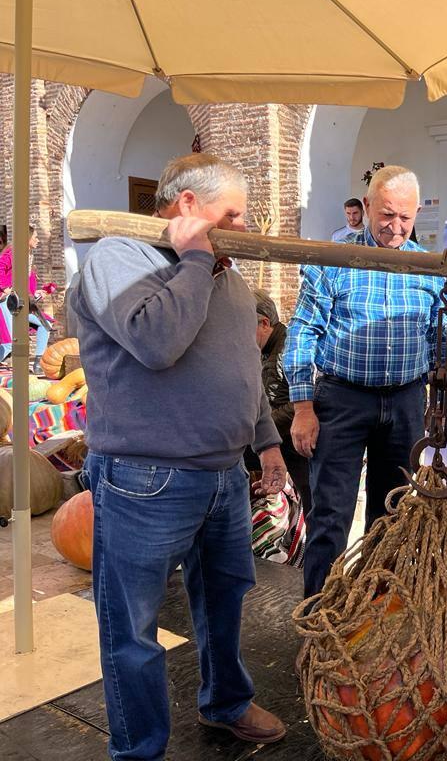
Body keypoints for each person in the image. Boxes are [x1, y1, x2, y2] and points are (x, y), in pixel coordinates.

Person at [67, 152, 289, 760]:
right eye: (232, 214)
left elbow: (245, 369)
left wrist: (266, 442)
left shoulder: (224, 274)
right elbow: (156, 341)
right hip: (145, 478)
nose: (244, 228)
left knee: (225, 597)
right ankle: (139, 749)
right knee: (133, 627)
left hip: (224, 474)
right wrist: (194, 258)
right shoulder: (118, 257)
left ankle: (225, 702)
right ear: (188, 205)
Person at [286, 165, 443, 599]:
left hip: (406, 400)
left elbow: (435, 337)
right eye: (387, 215)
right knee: (330, 514)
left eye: (405, 218)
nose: (395, 228)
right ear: (367, 206)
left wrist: (430, 403)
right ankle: (320, 618)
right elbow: (303, 331)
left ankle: (375, 616)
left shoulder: (428, 267)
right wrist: (302, 407)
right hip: (343, 399)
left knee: (391, 515)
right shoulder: (334, 260)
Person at [249, 287, 312, 519]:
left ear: (264, 324)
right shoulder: (264, 350)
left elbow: (302, 401)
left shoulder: (289, 348)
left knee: (311, 503)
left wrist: (261, 427)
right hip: (279, 438)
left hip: (296, 443)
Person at [0, 225, 54, 372]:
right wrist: (5, 288)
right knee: (10, 341)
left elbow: (26, 286)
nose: (38, 240)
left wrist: (37, 293)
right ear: (27, 239)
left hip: (22, 303)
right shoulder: (13, 253)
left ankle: (38, 364)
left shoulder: (29, 257)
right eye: (35, 237)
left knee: (45, 325)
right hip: (7, 302)